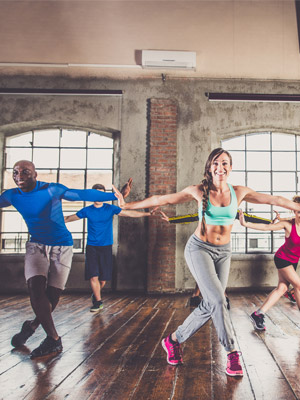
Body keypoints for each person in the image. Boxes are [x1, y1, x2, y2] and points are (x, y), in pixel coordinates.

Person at [113, 147, 300, 377]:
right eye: (216, 164)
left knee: (211, 303)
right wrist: (126, 205)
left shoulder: (239, 192)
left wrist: (297, 207)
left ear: (230, 168)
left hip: (224, 252)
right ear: (209, 168)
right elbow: (162, 199)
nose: (220, 168)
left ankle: (173, 340)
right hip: (199, 249)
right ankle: (232, 353)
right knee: (219, 300)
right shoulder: (198, 190)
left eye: (224, 164)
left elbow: (274, 199)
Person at [0, 160, 127, 358]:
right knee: (35, 288)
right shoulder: (11, 195)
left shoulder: (52, 190)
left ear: (35, 174)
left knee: (52, 297)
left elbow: (82, 194)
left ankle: (32, 325)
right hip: (36, 245)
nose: (19, 176)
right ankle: (54, 339)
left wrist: (114, 195)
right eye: (16, 172)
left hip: (62, 246)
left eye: (25, 172)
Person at [64, 183, 154, 312]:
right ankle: (98, 302)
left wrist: (148, 214)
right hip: (92, 247)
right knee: (93, 276)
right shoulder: (87, 210)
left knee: (103, 280)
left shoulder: (110, 208)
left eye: (101, 194)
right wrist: (48, 220)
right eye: (96, 194)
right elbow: (67, 218)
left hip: (106, 247)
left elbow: (129, 214)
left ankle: (96, 294)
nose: (98, 197)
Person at [238, 197, 300, 331]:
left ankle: (258, 314)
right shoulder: (288, 225)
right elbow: (267, 227)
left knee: (282, 289)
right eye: (298, 211)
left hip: (294, 261)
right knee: (298, 285)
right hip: (282, 258)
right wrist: (245, 224)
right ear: (294, 212)